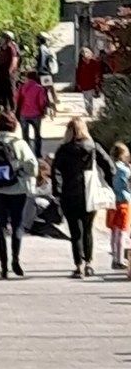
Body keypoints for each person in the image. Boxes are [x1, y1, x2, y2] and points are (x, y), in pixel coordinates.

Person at [52, 113, 115, 278]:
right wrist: (108, 182)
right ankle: (89, 263)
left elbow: (56, 171)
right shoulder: (93, 147)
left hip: (69, 192)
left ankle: (78, 265)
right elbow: (109, 166)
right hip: (89, 191)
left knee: (75, 232)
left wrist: (57, 191)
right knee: (88, 230)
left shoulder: (63, 150)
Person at [0, 109, 37, 279]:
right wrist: (18, 166)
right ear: (14, 126)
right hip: (17, 188)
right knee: (17, 224)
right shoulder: (20, 144)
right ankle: (16, 259)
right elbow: (32, 168)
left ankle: (3, 264)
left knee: (0, 226)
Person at [15, 69, 55, 159]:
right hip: (36, 114)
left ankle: (27, 153)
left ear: (27, 77)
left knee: (25, 135)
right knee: (37, 135)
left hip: (24, 114)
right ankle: (37, 153)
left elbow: (17, 99)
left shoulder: (22, 87)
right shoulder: (39, 88)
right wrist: (42, 111)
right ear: (36, 77)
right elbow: (42, 102)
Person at [108, 141, 131, 272]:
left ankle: (114, 258)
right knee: (122, 231)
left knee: (113, 231)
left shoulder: (110, 167)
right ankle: (120, 259)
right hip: (123, 201)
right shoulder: (124, 169)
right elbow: (127, 185)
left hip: (111, 201)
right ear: (123, 154)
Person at [0, 30, 20, 119]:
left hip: (9, 74)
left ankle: (14, 110)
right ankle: (6, 110)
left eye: (3, 37)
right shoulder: (2, 47)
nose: (1, 39)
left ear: (7, 38)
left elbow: (14, 60)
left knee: (11, 92)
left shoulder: (11, 47)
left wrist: (9, 71)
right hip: (2, 72)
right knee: (3, 92)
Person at [75, 44, 106, 121]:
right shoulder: (81, 63)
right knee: (86, 98)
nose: (85, 56)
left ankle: (91, 111)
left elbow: (98, 72)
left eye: (86, 53)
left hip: (92, 83)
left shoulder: (94, 62)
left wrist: (98, 81)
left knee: (91, 98)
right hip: (84, 83)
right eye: (83, 54)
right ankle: (88, 110)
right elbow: (78, 73)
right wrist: (78, 83)